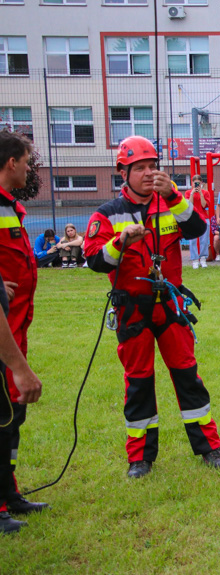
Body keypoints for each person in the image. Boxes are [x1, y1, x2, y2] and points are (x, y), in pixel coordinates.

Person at [84, 136, 220, 479]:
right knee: (138, 383)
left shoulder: (171, 204)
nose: (149, 173)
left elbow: (197, 228)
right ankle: (140, 458)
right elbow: (94, 260)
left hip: (171, 307)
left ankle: (209, 448)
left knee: (188, 376)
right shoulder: (107, 215)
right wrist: (119, 243)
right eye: (140, 168)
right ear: (123, 173)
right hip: (133, 311)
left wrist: (174, 196)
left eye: (153, 166)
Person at [0, 130, 49, 528]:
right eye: (27, 159)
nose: (30, 167)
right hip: (3, 336)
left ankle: (8, 492)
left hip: (15, 329)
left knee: (11, 417)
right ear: (11, 162)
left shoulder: (11, 207)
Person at [185, 174, 210, 269]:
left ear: (202, 183)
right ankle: (195, 260)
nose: (196, 185)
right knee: (192, 240)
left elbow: (204, 205)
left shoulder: (205, 193)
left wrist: (200, 194)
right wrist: (192, 193)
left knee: (204, 240)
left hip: (204, 217)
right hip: (192, 218)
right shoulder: (188, 193)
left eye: (198, 183)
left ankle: (203, 258)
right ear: (192, 183)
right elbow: (189, 205)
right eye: (195, 183)